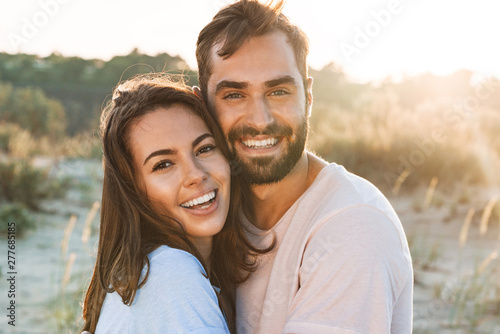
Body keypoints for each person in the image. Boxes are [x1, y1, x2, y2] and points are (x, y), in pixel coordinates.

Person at [194, 0, 413, 333]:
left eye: (278, 91)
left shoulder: (354, 229)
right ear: (202, 107)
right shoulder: (206, 208)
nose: (260, 120)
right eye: (234, 95)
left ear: (308, 97)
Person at [81, 75, 270, 333]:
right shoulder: (170, 274)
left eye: (204, 149)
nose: (195, 174)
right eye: (163, 164)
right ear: (133, 190)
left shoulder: (148, 271)